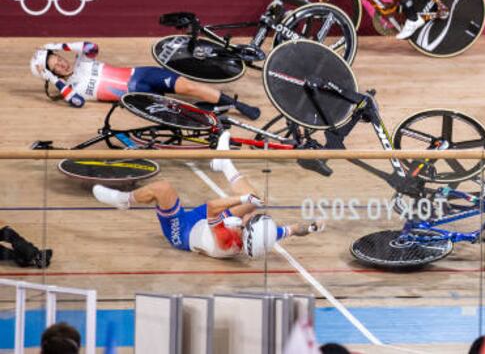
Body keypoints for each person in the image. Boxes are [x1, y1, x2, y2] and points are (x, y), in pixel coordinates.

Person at [91, 132, 322, 259]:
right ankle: (223, 163)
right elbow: (292, 231)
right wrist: (311, 228)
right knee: (256, 196)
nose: (252, 219)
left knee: (162, 188)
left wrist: (243, 201)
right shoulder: (256, 238)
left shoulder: (224, 241)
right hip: (205, 222)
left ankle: (123, 200)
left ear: (246, 232)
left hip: (183, 231)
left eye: (251, 222)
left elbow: (213, 206)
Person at [29, 42, 261, 120]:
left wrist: (57, 45)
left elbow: (92, 46)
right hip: (137, 97)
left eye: (58, 58)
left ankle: (236, 105)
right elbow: (77, 102)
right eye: (55, 67)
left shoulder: (82, 60)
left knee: (189, 87)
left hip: (140, 75)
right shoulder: (69, 88)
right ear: (53, 76)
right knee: (184, 112)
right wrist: (49, 77)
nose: (61, 63)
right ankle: (215, 113)